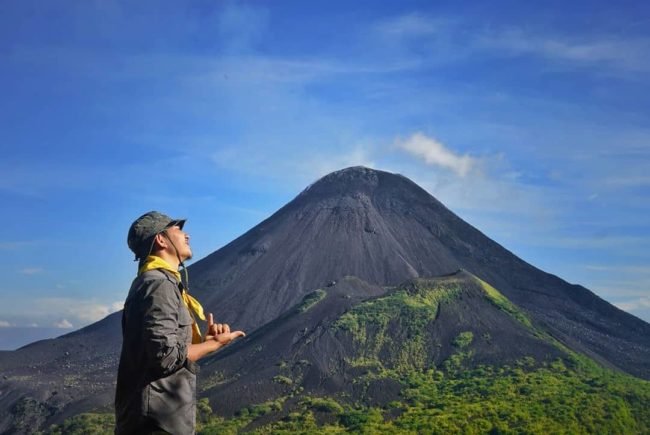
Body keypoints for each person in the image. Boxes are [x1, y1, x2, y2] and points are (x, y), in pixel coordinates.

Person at [115, 211, 245, 434]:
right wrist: (214, 345)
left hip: (154, 419)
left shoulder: (155, 282)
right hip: (156, 422)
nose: (187, 236)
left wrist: (204, 342)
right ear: (161, 239)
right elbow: (165, 357)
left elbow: (165, 351)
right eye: (178, 230)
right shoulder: (158, 285)